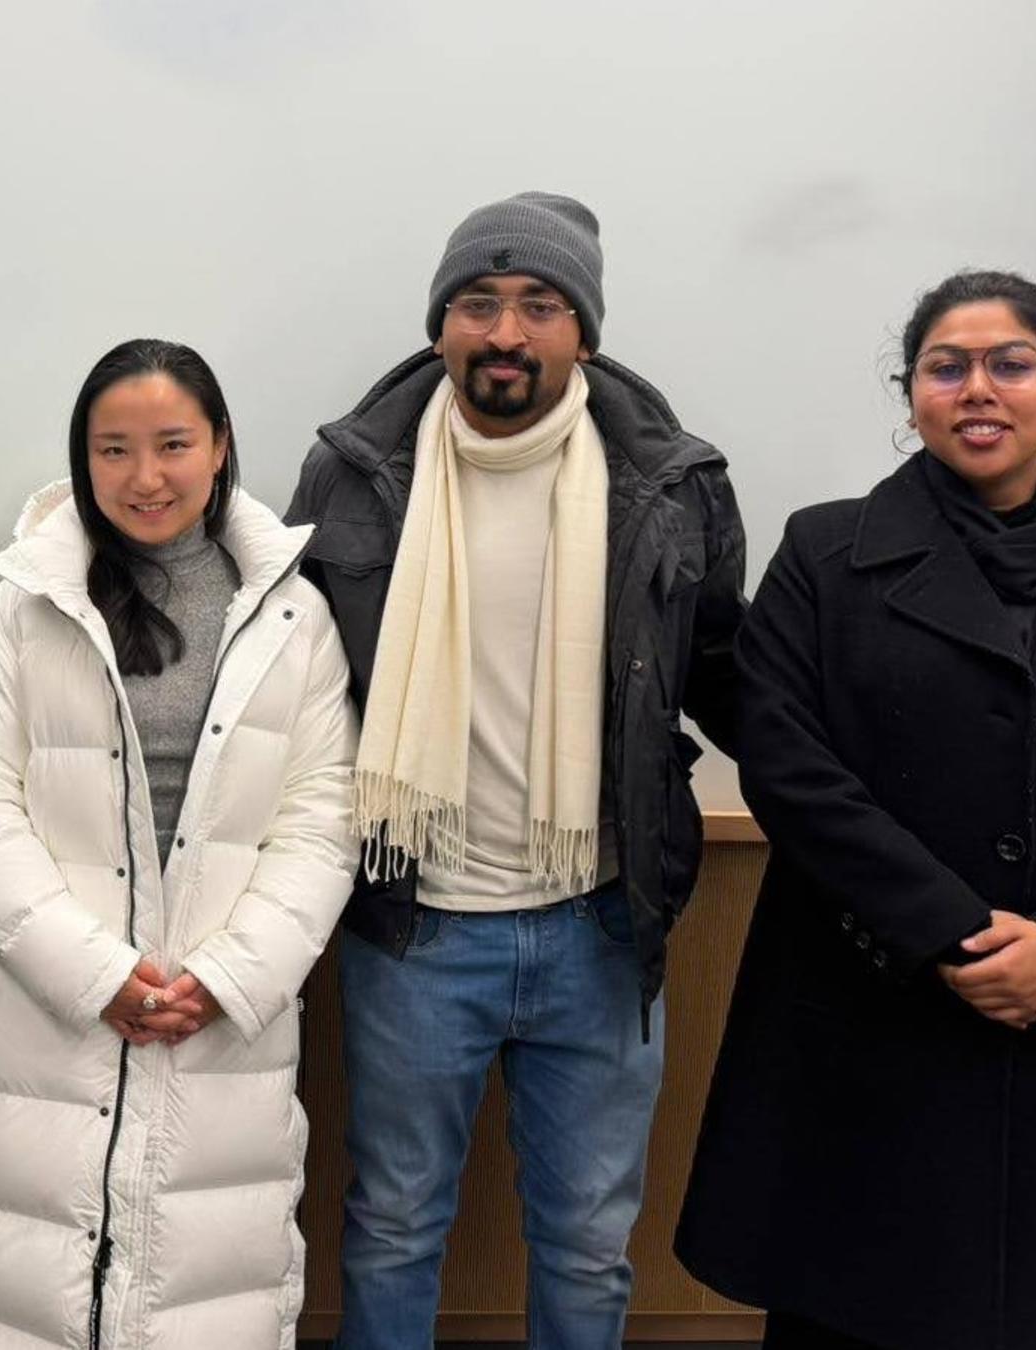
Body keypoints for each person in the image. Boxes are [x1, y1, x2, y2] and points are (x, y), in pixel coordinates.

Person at [674, 270, 1036, 1349]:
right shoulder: (826, 554)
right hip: (867, 1013)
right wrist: (950, 930)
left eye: (1012, 363)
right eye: (947, 367)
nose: (977, 388)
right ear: (913, 397)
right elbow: (791, 765)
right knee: (854, 1310)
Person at [285, 191, 747, 1349]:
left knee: (589, 1246)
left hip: (601, 923)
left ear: (584, 331)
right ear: (440, 326)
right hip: (413, 924)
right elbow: (277, 683)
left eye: (540, 305)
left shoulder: (672, 485)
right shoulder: (352, 474)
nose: (506, 332)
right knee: (393, 1226)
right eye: (478, 303)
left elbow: (731, 673)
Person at [0, 339, 358, 1348]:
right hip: (41, 1016)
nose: (144, 476)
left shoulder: (297, 620)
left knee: (206, 1296)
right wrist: (97, 974)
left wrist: (227, 978)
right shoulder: (18, 613)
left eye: (172, 445)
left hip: (220, 1023)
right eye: (113, 450)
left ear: (220, 449)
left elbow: (323, 818)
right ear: (82, 459)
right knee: (16, 1292)